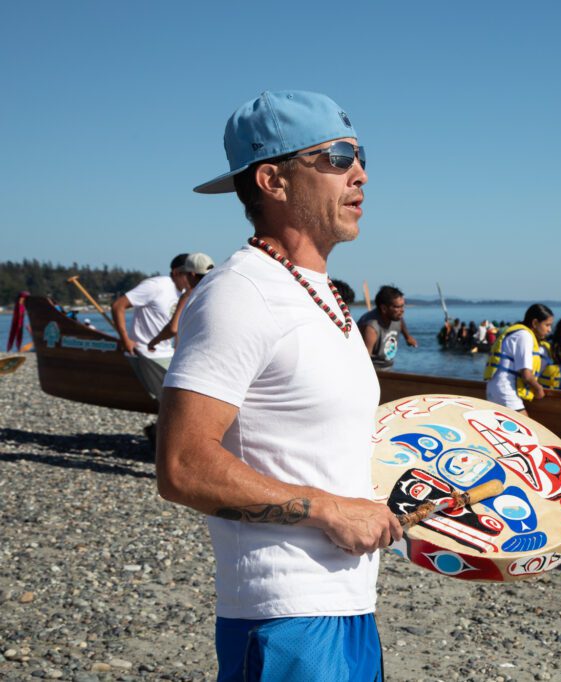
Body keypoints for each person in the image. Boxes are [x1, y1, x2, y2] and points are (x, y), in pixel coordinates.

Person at [157, 90, 399, 681]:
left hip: (349, 604)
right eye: (338, 157)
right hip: (284, 616)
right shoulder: (241, 293)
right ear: (273, 179)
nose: (361, 173)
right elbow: (183, 466)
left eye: (361, 155)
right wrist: (328, 510)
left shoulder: (322, 297)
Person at [112, 253, 189, 360]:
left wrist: (177, 348)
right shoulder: (155, 286)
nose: (192, 277)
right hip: (144, 354)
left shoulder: (185, 293)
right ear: (176, 273)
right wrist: (125, 339)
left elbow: (177, 325)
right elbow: (118, 305)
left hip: (168, 354)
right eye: (188, 273)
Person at [484, 304, 553, 414]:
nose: (549, 330)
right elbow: (526, 374)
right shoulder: (524, 336)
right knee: (526, 429)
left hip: (494, 389)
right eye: (547, 325)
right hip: (506, 391)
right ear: (535, 323)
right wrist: (538, 389)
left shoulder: (517, 332)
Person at [147, 253, 217, 355]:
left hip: (196, 354)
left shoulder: (188, 295)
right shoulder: (217, 291)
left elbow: (173, 328)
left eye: (185, 274)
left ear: (192, 274)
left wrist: (154, 341)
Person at [357, 284, 417, 370]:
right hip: (373, 370)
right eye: (397, 307)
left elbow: (401, 321)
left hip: (388, 367)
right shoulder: (371, 328)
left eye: (403, 305)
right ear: (384, 308)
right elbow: (364, 362)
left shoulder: (396, 317)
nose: (402, 310)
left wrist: (407, 336)